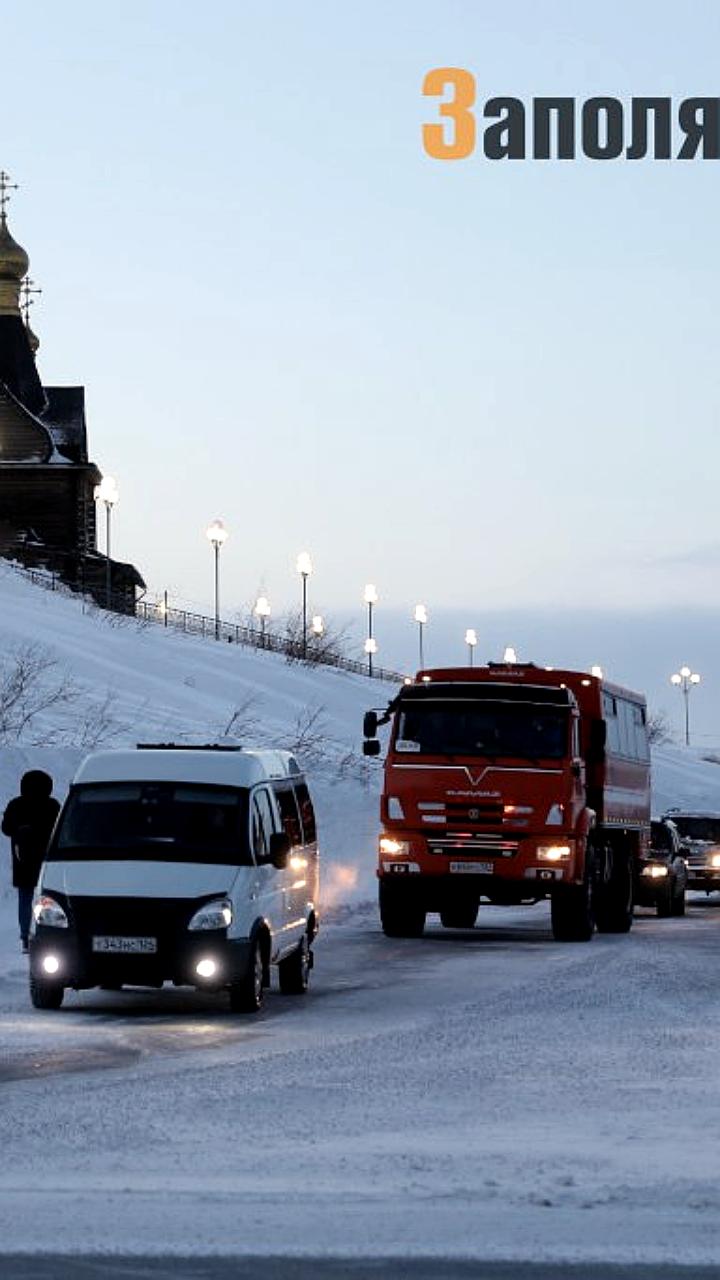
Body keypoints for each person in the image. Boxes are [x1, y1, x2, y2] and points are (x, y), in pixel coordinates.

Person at [2, 770, 60, 953]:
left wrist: (21, 829)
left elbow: (6, 828)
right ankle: (44, 933)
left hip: (23, 860)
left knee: (25, 899)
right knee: (46, 898)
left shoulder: (16, 804)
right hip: (46, 861)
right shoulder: (52, 805)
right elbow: (59, 830)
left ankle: (25, 936)